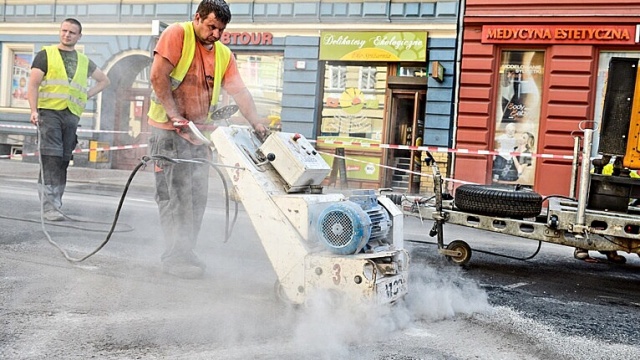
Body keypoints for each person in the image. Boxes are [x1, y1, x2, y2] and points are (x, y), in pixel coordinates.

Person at [148, 0, 267, 279]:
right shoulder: (178, 34)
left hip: (199, 135)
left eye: (221, 30)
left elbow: (240, 92)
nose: (216, 34)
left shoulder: (224, 54)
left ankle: (187, 251)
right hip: (168, 131)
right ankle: (175, 257)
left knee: (197, 196)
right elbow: (157, 77)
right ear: (198, 17)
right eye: (212, 26)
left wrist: (257, 123)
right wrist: (174, 114)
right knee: (176, 197)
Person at [27, 18, 111, 222]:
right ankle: (49, 206)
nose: (67, 35)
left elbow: (104, 81)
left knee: (63, 160)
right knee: (51, 158)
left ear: (79, 36)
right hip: (49, 114)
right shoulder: (45, 55)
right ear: (60, 32)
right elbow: (33, 84)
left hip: (71, 115)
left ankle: (56, 203)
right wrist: (33, 110)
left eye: (72, 32)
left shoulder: (83, 60)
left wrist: (85, 96)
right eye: (64, 31)